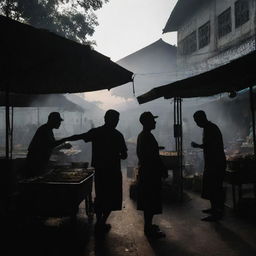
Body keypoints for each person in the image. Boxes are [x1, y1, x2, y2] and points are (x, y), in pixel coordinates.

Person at [68, 109, 127, 232]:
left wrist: (63, 140)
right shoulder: (118, 135)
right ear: (114, 120)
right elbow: (124, 155)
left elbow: (80, 136)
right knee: (112, 197)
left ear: (105, 118)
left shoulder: (97, 132)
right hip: (113, 171)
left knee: (100, 196)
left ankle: (99, 221)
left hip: (100, 170)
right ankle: (102, 222)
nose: (117, 122)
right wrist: (116, 155)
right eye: (116, 119)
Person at [136, 111, 168, 239]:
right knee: (150, 200)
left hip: (147, 172)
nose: (155, 122)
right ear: (146, 122)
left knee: (149, 200)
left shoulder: (144, 135)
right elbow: (152, 157)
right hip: (150, 173)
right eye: (152, 120)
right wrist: (162, 168)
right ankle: (148, 229)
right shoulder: (146, 136)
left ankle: (148, 226)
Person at [191, 110, 226, 221]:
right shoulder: (208, 128)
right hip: (212, 162)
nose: (197, 124)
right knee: (211, 186)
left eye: (197, 121)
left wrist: (197, 145)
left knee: (215, 187)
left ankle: (217, 213)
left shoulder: (211, 128)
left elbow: (210, 145)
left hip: (216, 163)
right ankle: (214, 208)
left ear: (202, 119)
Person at [25, 112, 71, 178]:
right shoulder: (44, 129)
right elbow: (51, 144)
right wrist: (64, 140)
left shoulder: (48, 129)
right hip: (35, 162)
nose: (60, 123)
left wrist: (63, 145)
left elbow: (50, 147)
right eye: (58, 121)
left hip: (40, 161)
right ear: (53, 120)